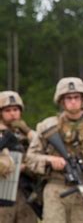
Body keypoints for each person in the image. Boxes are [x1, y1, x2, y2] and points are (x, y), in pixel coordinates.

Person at [26, 77, 83, 223]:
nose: (73, 101)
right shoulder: (48, 126)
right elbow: (30, 158)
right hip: (55, 189)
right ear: (61, 101)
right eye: (68, 98)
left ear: (82, 99)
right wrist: (50, 160)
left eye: (76, 97)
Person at [0, 91, 38, 223]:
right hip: (2, 193)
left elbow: (42, 147)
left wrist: (27, 131)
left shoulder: (25, 134)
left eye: (16, 110)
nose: (12, 114)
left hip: (25, 191)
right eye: (8, 110)